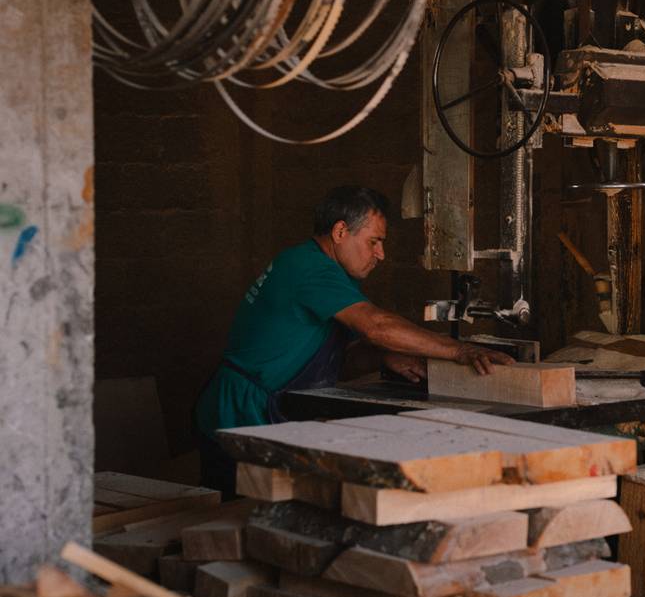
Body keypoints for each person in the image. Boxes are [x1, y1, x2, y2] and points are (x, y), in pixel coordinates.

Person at [194, 185, 512, 493]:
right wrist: (459, 350)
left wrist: (381, 357)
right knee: (242, 508)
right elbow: (376, 326)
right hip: (240, 412)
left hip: (273, 406)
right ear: (340, 232)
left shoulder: (332, 274)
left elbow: (337, 363)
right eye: (374, 242)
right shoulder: (309, 267)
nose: (381, 254)